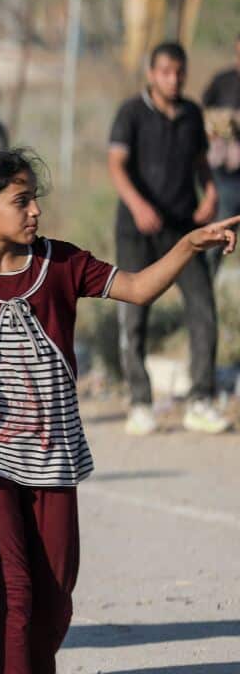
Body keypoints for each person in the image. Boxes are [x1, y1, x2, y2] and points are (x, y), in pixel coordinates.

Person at [0, 148, 240, 674]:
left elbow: (138, 289)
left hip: (55, 454)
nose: (35, 212)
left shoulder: (61, 263)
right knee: (13, 596)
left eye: (35, 201)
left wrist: (187, 244)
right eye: (21, 202)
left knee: (54, 599)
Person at [108, 41, 228, 435]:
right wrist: (138, 205)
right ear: (151, 73)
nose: (173, 79)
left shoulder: (193, 113)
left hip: (183, 232)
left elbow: (202, 164)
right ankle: (140, 401)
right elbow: (116, 166)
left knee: (203, 309)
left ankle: (200, 400)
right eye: (165, 71)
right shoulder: (131, 114)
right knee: (134, 315)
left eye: (179, 72)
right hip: (137, 231)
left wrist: (210, 193)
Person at [202, 33, 240, 273]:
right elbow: (203, 115)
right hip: (225, 173)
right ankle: (205, 285)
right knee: (218, 235)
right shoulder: (223, 81)